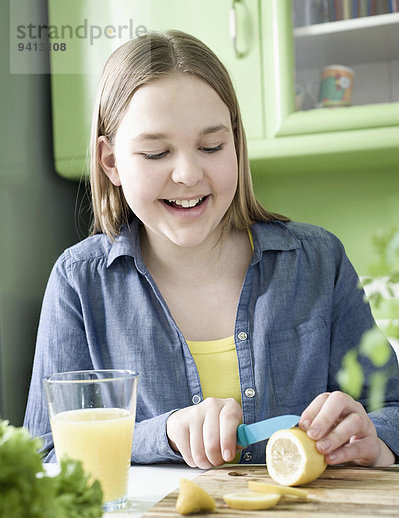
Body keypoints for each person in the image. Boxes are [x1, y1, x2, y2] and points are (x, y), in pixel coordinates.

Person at [24, 30, 399, 469]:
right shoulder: (79, 281)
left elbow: (392, 410)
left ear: (236, 145)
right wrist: (163, 433)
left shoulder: (318, 261)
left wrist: (375, 441)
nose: (187, 173)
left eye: (211, 146)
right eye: (156, 152)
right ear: (111, 162)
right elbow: (46, 451)